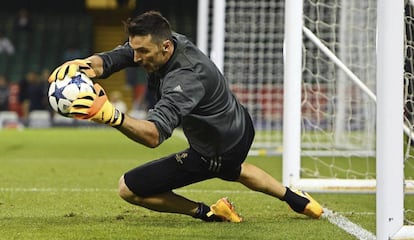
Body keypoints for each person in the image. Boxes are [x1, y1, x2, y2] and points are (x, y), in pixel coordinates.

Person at [48, 11, 323, 222]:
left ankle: (209, 213)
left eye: (143, 52)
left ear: (165, 48)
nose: (137, 57)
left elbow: (154, 135)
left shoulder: (185, 78)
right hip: (238, 124)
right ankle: (295, 198)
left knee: (128, 188)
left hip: (216, 147)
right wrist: (83, 67)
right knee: (234, 170)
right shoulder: (163, 43)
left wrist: (110, 115)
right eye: (135, 49)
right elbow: (110, 60)